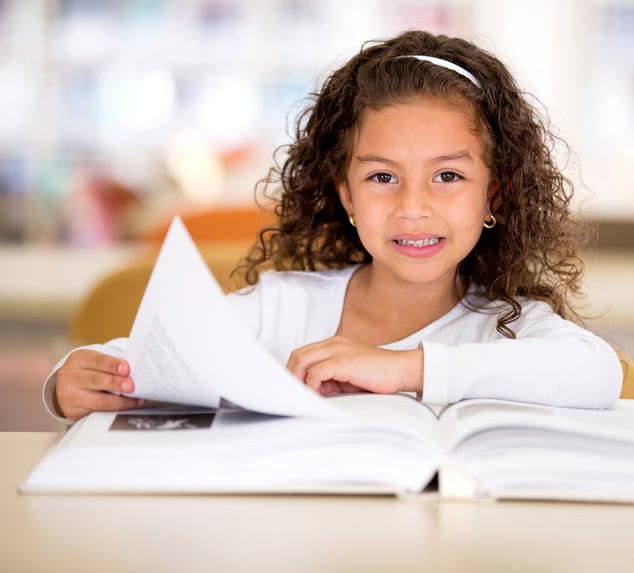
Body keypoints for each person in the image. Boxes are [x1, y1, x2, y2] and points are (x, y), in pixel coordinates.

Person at [44, 30, 623, 422]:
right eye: (381, 178)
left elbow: (596, 373)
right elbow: (144, 358)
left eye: (447, 176)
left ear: (492, 193)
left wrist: (403, 368)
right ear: (344, 194)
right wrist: (68, 381)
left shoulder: (510, 329)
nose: (412, 207)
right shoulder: (279, 309)